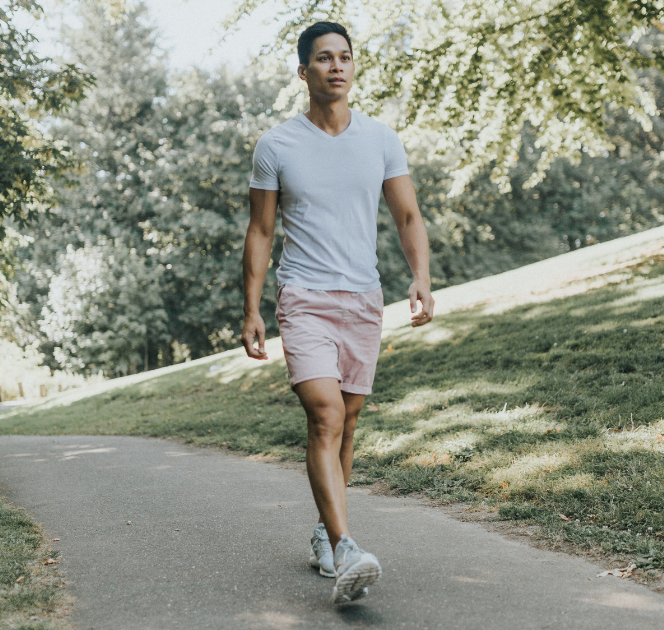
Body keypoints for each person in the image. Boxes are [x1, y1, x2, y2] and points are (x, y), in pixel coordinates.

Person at [240, 21, 435, 605]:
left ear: (353, 67)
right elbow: (261, 229)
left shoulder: (380, 139)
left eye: (344, 57)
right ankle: (348, 546)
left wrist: (421, 276)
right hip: (303, 297)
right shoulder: (277, 145)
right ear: (304, 72)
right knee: (325, 414)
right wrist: (250, 308)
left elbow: (407, 217)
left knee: (348, 422)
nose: (336, 66)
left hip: (362, 299)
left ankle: (327, 533)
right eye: (323, 58)